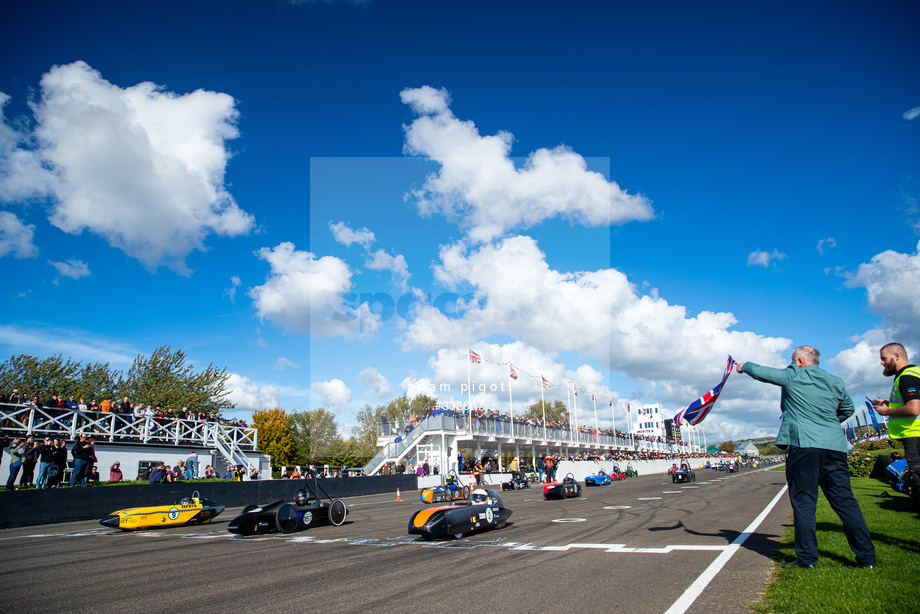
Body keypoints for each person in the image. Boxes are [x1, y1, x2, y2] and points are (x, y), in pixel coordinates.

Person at [736, 346, 875, 568]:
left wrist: (743, 366)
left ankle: (807, 558)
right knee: (845, 502)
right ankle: (867, 557)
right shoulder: (835, 381)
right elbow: (848, 409)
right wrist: (826, 422)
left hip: (805, 444)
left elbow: (764, 373)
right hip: (834, 446)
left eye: (792, 360)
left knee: (804, 502)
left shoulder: (794, 374)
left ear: (800, 361)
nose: (791, 364)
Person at [872, 342, 920, 513]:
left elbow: (914, 408)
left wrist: (887, 410)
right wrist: (890, 403)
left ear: (897, 356)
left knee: (918, 474)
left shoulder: (906, 377)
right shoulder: (914, 373)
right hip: (914, 432)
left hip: (914, 433)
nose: (882, 363)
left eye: (884, 359)